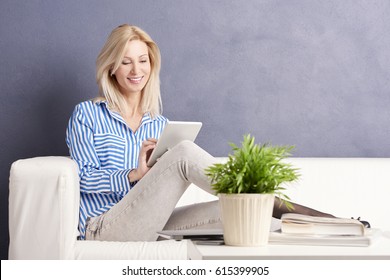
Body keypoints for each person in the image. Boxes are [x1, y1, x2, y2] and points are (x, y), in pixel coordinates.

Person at [66, 24, 333, 242]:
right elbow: (83, 178)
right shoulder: (88, 114)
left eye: (142, 60)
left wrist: (157, 174)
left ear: (151, 64)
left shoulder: (158, 124)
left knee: (233, 210)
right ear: (111, 67)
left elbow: (158, 194)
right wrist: (135, 174)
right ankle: (276, 202)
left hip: (150, 221)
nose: (137, 71)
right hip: (102, 228)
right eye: (126, 62)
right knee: (184, 153)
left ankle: (318, 225)